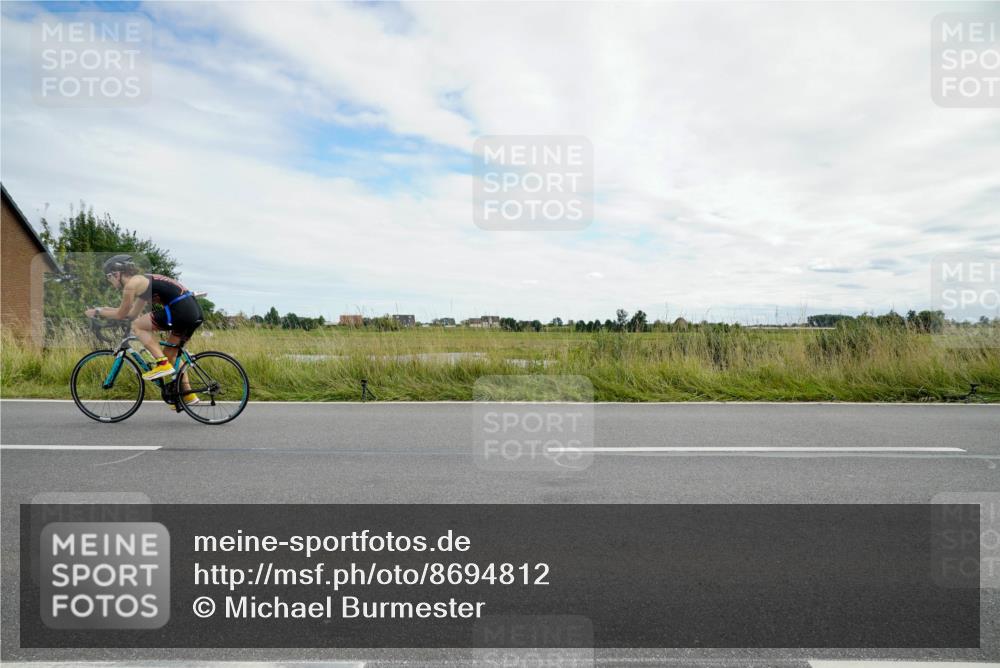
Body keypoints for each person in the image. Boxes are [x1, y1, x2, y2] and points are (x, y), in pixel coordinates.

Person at [85, 254, 204, 405]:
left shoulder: (131, 285)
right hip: (192, 311)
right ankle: (188, 396)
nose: (109, 281)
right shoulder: (142, 283)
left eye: (109, 277)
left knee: (138, 326)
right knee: (171, 355)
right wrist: (103, 309)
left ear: (116, 273)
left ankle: (161, 364)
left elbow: (121, 314)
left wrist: (97, 313)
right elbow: (131, 313)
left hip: (181, 310)